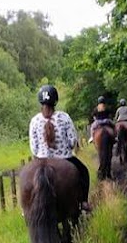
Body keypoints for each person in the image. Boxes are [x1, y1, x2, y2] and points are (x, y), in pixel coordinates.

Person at [29, 84, 91, 212]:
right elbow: (72, 141)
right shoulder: (64, 117)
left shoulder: (34, 120)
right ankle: (84, 202)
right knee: (84, 172)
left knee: (27, 180)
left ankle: (27, 208)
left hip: (41, 160)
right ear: (55, 101)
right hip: (65, 159)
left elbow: (34, 148)